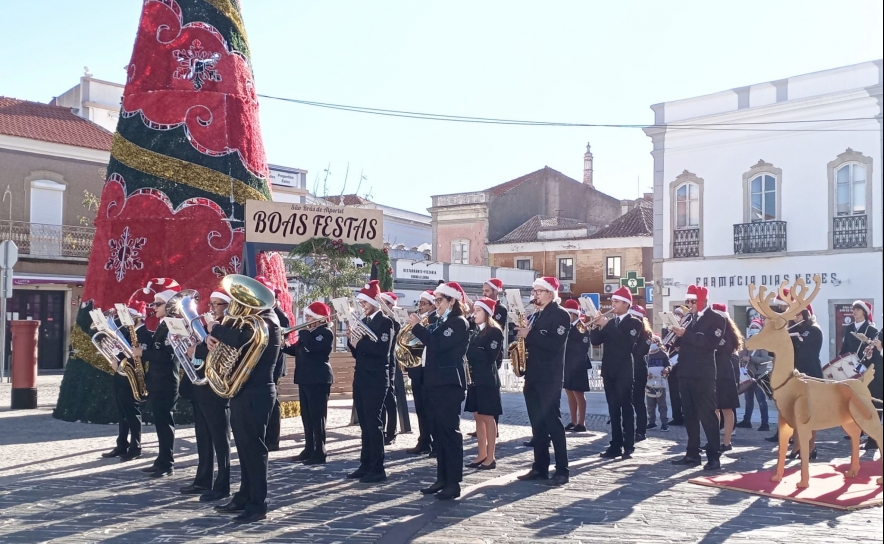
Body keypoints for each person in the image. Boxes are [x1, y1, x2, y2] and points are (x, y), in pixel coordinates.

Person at [211, 276, 282, 524]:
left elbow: (240, 340)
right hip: (244, 390)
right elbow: (238, 347)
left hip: (257, 392)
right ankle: (244, 496)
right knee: (244, 449)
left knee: (254, 450)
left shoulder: (265, 322)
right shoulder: (256, 322)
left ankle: (257, 504)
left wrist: (216, 328)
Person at [409, 282, 470, 499]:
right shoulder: (440, 321)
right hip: (434, 382)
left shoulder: (458, 322)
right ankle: (442, 477)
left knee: (450, 433)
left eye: (439, 300)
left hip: (449, 383)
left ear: (452, 301)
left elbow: (436, 345)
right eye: (434, 300)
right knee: (439, 434)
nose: (436, 305)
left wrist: (418, 327)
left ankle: (453, 482)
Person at [515, 276, 571, 486]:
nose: (535, 295)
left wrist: (529, 334)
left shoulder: (561, 315)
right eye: (534, 291)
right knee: (537, 423)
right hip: (533, 374)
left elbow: (555, 344)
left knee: (553, 422)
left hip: (550, 375)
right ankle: (540, 467)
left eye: (539, 291)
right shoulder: (536, 315)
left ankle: (562, 470)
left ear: (550, 293)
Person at [183, 290, 232, 502]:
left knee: (221, 441)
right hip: (202, 387)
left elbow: (221, 352)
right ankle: (203, 479)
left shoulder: (228, 326)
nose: (211, 308)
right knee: (203, 438)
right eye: (210, 304)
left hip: (217, 390)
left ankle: (223, 484)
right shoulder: (210, 326)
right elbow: (203, 347)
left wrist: (196, 350)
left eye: (217, 304)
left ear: (227, 305)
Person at [670, 285, 725, 471]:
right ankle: (692, 453)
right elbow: (680, 343)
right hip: (685, 371)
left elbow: (710, 343)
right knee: (689, 415)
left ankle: (714, 456)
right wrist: (675, 333)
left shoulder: (716, 319)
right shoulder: (688, 319)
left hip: (703, 374)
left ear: (702, 301)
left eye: (693, 301)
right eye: (687, 301)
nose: (689, 305)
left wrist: (687, 334)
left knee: (707, 415)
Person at [132, 278, 182, 478]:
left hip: (167, 382)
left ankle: (167, 463)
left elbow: (168, 356)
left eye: (157, 304)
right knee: (160, 423)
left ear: (169, 305)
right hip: (158, 380)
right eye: (153, 303)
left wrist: (142, 353)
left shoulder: (172, 325)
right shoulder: (163, 324)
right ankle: (161, 460)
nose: (153, 307)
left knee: (165, 423)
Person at [347, 280, 395, 484]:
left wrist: (361, 342)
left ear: (373, 302)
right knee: (365, 424)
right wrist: (352, 342)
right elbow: (360, 353)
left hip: (376, 378)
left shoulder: (386, 322)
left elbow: (381, 350)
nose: (362, 306)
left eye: (364, 302)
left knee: (374, 424)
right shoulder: (365, 321)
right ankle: (365, 463)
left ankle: (377, 467)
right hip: (362, 376)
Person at [590, 286, 642, 460]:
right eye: (612, 301)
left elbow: (625, 342)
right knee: (613, 409)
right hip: (609, 369)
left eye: (616, 301)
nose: (613, 304)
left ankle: (629, 444)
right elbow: (595, 341)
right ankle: (615, 444)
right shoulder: (610, 321)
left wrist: (607, 324)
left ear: (626, 304)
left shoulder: (635, 322)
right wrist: (596, 325)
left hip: (624, 370)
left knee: (626, 407)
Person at [102, 302, 152, 462]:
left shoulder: (145, 333)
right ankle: (122, 444)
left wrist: (123, 359)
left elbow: (139, 355)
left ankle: (135, 447)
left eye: (128, 316)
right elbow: (119, 349)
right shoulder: (125, 331)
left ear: (138, 317)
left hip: (134, 377)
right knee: (122, 412)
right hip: (121, 375)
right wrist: (113, 358)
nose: (124, 319)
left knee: (132, 413)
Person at [286, 302, 334, 464]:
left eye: (309, 317)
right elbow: (295, 350)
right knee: (306, 416)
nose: (305, 320)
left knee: (317, 416)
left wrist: (304, 333)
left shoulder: (325, 333)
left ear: (319, 319)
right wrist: (282, 343)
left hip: (318, 379)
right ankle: (309, 447)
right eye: (306, 316)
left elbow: (313, 348)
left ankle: (320, 450)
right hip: (305, 378)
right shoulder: (308, 334)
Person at [464, 297, 504, 470]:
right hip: (475, 379)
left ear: (487, 313)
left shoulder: (494, 331)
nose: (474, 314)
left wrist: (472, 350)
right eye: (474, 310)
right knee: (478, 416)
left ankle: (491, 456)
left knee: (488, 416)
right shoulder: (475, 331)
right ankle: (481, 453)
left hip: (487, 380)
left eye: (478, 311)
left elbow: (489, 356)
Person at [841, 300, 882, 451]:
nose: (854, 311)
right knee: (854, 400)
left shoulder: (872, 329)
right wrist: (841, 360)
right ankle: (856, 430)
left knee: (870, 402)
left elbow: (877, 353)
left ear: (864, 312)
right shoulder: (849, 327)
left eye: (858, 309)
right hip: (852, 368)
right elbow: (844, 346)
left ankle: (873, 437)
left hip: (867, 370)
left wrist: (870, 354)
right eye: (853, 309)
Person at [255, 275, 288, 452]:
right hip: (262, 362)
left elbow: (284, 338)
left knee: (273, 402)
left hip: (273, 363)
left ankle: (272, 439)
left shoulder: (279, 315)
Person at [406, 290, 437, 455]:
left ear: (432, 305)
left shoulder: (434, 320)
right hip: (417, 368)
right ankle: (424, 440)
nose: (421, 307)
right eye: (420, 303)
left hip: (429, 369)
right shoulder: (419, 320)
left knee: (430, 408)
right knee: (420, 407)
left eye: (424, 304)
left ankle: (433, 441)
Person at [711, 303, 742, 453]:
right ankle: (714, 440)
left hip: (725, 372)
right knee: (714, 408)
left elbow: (723, 349)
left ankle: (727, 441)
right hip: (712, 372)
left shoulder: (729, 333)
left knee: (727, 408)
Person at [379, 291, 406, 445]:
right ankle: (381, 429)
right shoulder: (381, 319)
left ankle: (391, 432)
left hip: (390, 362)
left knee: (389, 398)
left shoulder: (393, 319)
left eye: (383, 303)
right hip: (382, 362)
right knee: (382, 399)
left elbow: (398, 328)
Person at [736, 319, 772, 432]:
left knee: (761, 400)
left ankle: (765, 423)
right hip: (748, 374)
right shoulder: (748, 341)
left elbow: (766, 359)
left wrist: (752, 358)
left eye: (756, 327)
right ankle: (747, 421)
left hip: (759, 375)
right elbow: (742, 354)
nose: (753, 329)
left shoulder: (764, 343)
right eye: (752, 327)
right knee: (748, 399)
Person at [561, 299, 590, 433]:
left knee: (578, 392)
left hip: (578, 364)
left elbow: (583, 346)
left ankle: (581, 422)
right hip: (567, 363)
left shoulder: (581, 326)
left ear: (573, 314)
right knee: (569, 392)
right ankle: (573, 420)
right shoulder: (567, 327)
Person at [630, 305, 653, 442]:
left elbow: (640, 351)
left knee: (638, 401)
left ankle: (641, 430)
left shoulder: (646, 334)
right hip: (626, 368)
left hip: (638, 369)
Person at [665, 306, 687, 426]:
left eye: (679, 314)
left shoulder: (686, 331)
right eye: (675, 313)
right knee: (673, 393)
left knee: (683, 393)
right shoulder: (670, 331)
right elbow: (666, 345)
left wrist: (682, 349)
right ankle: (676, 416)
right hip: (672, 365)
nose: (676, 315)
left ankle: (686, 416)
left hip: (683, 365)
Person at [645, 337, 671, 431]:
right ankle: (651, 422)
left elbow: (668, 365)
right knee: (650, 405)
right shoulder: (646, 355)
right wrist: (646, 374)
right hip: (649, 383)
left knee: (662, 405)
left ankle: (664, 423)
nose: (653, 343)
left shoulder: (663, 354)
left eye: (655, 342)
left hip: (660, 383)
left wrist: (667, 370)